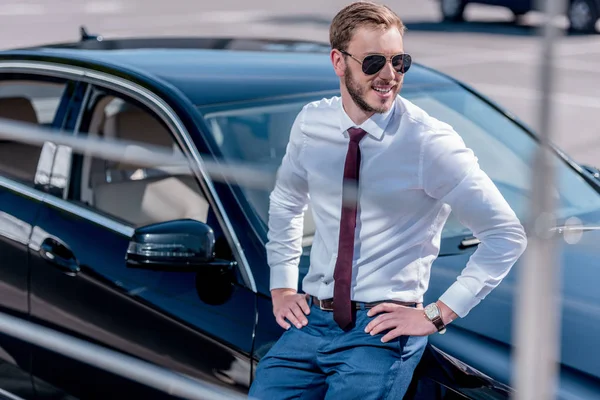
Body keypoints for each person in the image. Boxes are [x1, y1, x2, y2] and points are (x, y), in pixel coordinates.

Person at [249, 1, 528, 399]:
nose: (389, 76)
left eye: (400, 62)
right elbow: (287, 201)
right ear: (338, 62)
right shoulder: (313, 123)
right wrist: (281, 284)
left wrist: (437, 313)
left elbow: (506, 234)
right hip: (310, 322)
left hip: (378, 334)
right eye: (374, 62)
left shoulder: (429, 142)